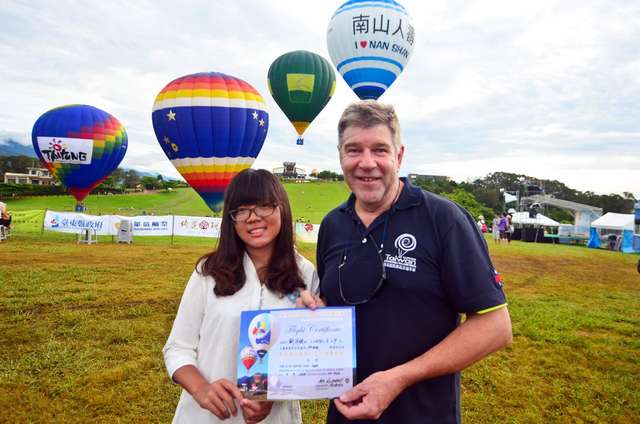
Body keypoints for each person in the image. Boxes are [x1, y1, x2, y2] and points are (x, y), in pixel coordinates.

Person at [315, 101, 512, 423]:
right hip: (345, 414)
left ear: (399, 155)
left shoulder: (443, 218)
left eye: (380, 150)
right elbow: (332, 304)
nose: (367, 163)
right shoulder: (333, 224)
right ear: (340, 155)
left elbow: (495, 327)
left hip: (424, 414)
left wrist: (398, 378)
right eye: (354, 150)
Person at [163, 169, 319, 424]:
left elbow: (309, 359)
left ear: (282, 209)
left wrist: (272, 395)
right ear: (231, 219)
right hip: (206, 417)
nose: (253, 218)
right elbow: (178, 348)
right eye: (241, 211)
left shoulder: (305, 273)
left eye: (264, 207)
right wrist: (202, 389)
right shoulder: (208, 272)